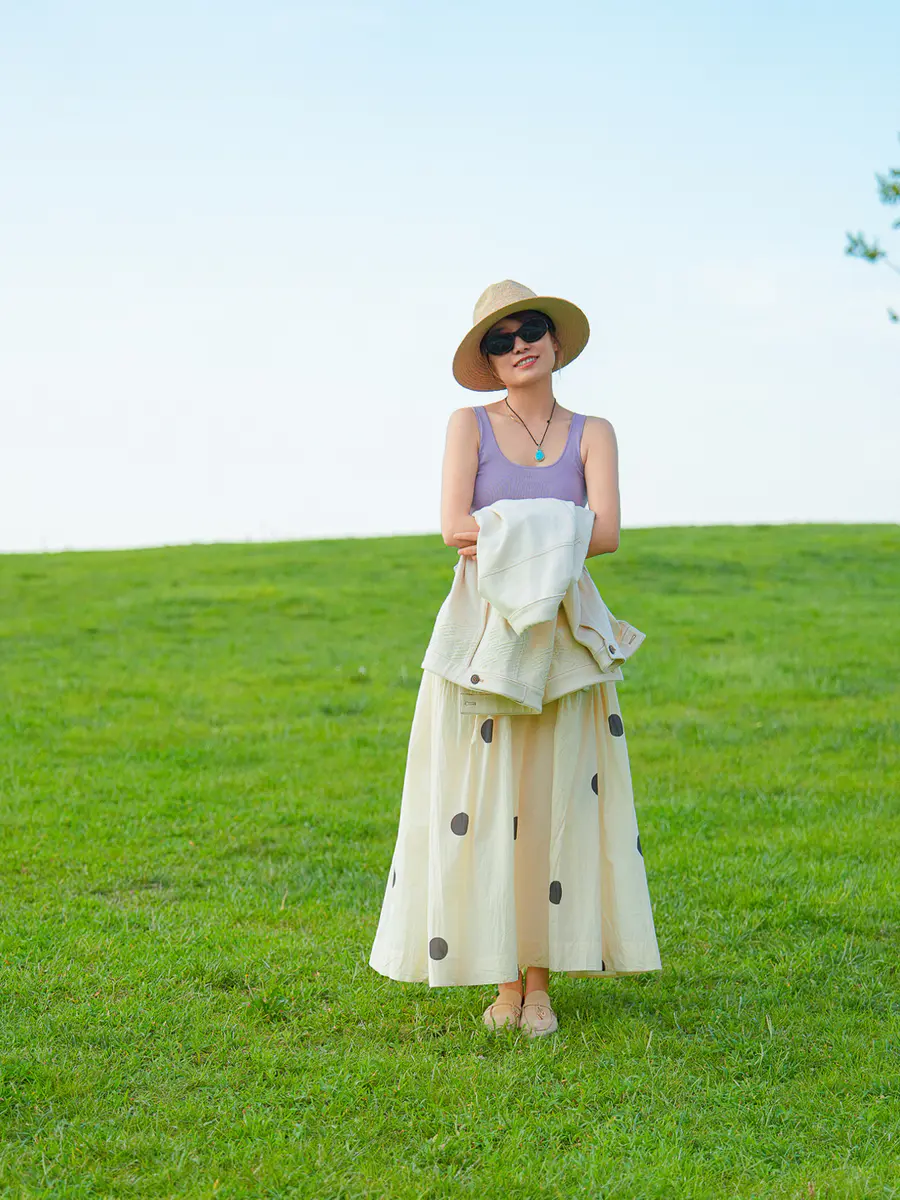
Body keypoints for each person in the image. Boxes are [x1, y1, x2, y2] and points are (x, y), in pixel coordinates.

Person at [369, 280, 661, 1037]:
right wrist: (555, 528)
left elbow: (607, 533)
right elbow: (452, 527)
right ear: (490, 361)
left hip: (565, 633)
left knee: (556, 798)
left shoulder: (594, 432)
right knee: (489, 798)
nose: (519, 345)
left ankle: (540, 986)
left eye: (530, 330)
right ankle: (504, 982)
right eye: (500, 341)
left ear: (556, 342)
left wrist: (505, 530)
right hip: (483, 631)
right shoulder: (467, 425)